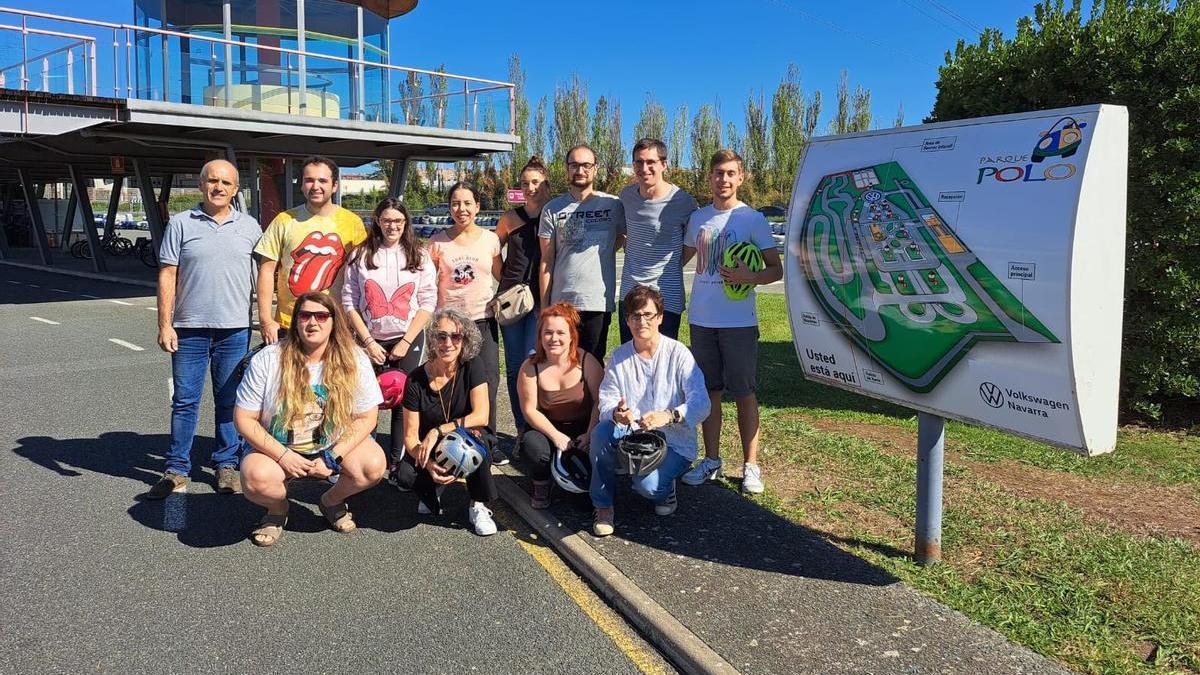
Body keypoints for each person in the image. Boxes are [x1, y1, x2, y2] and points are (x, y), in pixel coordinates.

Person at [147, 159, 262, 500]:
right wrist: (164, 324)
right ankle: (176, 469)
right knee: (184, 402)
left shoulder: (251, 227)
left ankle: (226, 465)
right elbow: (167, 274)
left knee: (230, 401)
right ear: (200, 185)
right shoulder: (181, 223)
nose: (218, 188)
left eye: (226, 183)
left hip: (235, 330)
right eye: (212, 181)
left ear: (236, 189)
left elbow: (264, 276)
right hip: (189, 330)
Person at [235, 292, 388, 547]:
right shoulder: (268, 359)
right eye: (305, 315)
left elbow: (367, 416)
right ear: (296, 321)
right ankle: (277, 510)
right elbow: (244, 418)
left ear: (333, 322)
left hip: (330, 445)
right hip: (279, 447)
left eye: (321, 316)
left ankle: (331, 500)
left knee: (372, 466)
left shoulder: (355, 358)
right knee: (255, 478)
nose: (313, 323)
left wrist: (333, 456)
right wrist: (283, 456)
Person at [680, 149, 783, 495]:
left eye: (730, 173)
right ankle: (711, 460)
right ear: (709, 178)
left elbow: (775, 269)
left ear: (740, 178)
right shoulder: (698, 219)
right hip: (702, 320)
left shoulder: (752, 219)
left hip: (738, 322)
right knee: (709, 393)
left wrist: (748, 275)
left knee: (744, 392)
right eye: (717, 173)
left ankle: (750, 465)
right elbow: (679, 258)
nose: (723, 180)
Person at [589, 286, 709, 537]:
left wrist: (670, 415)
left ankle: (666, 487)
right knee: (601, 433)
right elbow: (607, 400)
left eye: (648, 315)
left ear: (660, 317)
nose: (641, 321)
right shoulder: (620, 357)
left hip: (674, 441)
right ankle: (603, 507)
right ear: (627, 320)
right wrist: (616, 413)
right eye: (635, 316)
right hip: (631, 435)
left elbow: (702, 402)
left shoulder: (678, 354)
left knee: (648, 487)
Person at [342, 197, 436, 463]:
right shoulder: (360, 255)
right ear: (377, 222)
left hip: (407, 337)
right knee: (365, 400)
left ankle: (398, 462)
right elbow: (349, 301)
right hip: (368, 338)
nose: (392, 226)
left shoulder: (420, 255)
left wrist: (406, 342)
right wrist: (368, 342)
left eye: (397, 221)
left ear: (405, 223)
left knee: (403, 400)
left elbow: (428, 301)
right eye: (386, 220)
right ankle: (362, 458)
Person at [396, 308, 499, 536]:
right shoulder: (414, 379)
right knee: (405, 474)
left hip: (469, 438)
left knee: (474, 445)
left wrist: (438, 430)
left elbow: (481, 415)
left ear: (465, 340)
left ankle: (478, 504)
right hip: (433, 449)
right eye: (441, 336)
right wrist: (430, 465)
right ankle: (437, 482)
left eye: (456, 336)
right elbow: (411, 437)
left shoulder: (473, 366)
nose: (448, 343)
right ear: (432, 340)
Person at [427, 182, 504, 461]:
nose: (462, 209)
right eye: (456, 203)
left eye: (468, 203)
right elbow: (426, 283)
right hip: (448, 326)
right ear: (449, 207)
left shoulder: (490, 240)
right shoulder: (437, 242)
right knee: (447, 382)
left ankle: (489, 441)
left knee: (488, 381)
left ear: (477, 207)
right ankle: (448, 436)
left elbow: (501, 276)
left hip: (482, 320)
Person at [255, 155, 368, 343]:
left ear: (334, 186)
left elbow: (362, 274)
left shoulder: (353, 223)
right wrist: (266, 320)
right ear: (301, 185)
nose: (315, 186)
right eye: (309, 180)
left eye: (322, 180)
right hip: (290, 323)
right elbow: (266, 271)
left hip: (336, 323)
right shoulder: (284, 220)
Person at [538, 144, 626, 362]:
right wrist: (545, 306)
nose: (580, 170)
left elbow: (623, 237)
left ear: (595, 169)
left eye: (586, 165)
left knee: (593, 365)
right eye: (574, 165)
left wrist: (604, 251)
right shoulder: (552, 209)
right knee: (561, 364)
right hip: (562, 303)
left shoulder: (613, 205)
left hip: (597, 301)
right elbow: (546, 262)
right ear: (567, 169)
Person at [516, 302, 603, 509]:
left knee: (601, 441)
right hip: (548, 428)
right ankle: (542, 483)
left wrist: (590, 434)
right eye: (548, 333)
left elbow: (601, 402)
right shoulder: (529, 367)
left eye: (560, 333)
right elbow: (529, 410)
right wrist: (556, 436)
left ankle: (595, 485)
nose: (554, 339)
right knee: (533, 447)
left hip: (584, 427)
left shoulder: (587, 361)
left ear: (572, 335)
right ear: (540, 336)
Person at [617, 138, 698, 343]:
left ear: (664, 164)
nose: (644, 168)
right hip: (630, 294)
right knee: (630, 361)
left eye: (651, 162)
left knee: (663, 364)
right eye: (638, 162)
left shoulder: (683, 201)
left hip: (667, 297)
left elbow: (692, 242)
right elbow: (623, 234)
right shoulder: (626, 197)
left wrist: (672, 266)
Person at [495, 156, 551, 438]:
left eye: (535, 182)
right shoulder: (509, 218)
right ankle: (521, 428)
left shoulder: (554, 214)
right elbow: (494, 252)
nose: (530, 188)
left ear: (546, 184)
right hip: (513, 301)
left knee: (536, 362)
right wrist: (506, 280)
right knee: (516, 365)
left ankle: (538, 428)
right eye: (525, 183)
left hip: (544, 300)